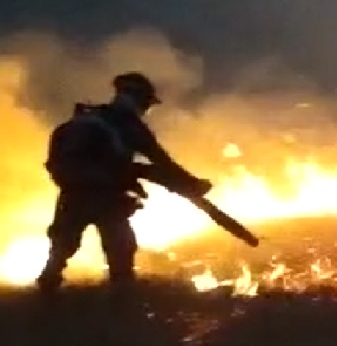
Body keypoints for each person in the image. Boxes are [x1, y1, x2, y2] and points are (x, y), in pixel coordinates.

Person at [35, 72, 213, 292]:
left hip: (71, 193)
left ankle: (46, 290)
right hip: (105, 194)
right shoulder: (128, 126)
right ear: (139, 99)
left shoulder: (87, 119)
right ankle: (123, 299)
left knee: (63, 246)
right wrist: (191, 184)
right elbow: (162, 161)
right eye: (147, 103)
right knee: (121, 247)